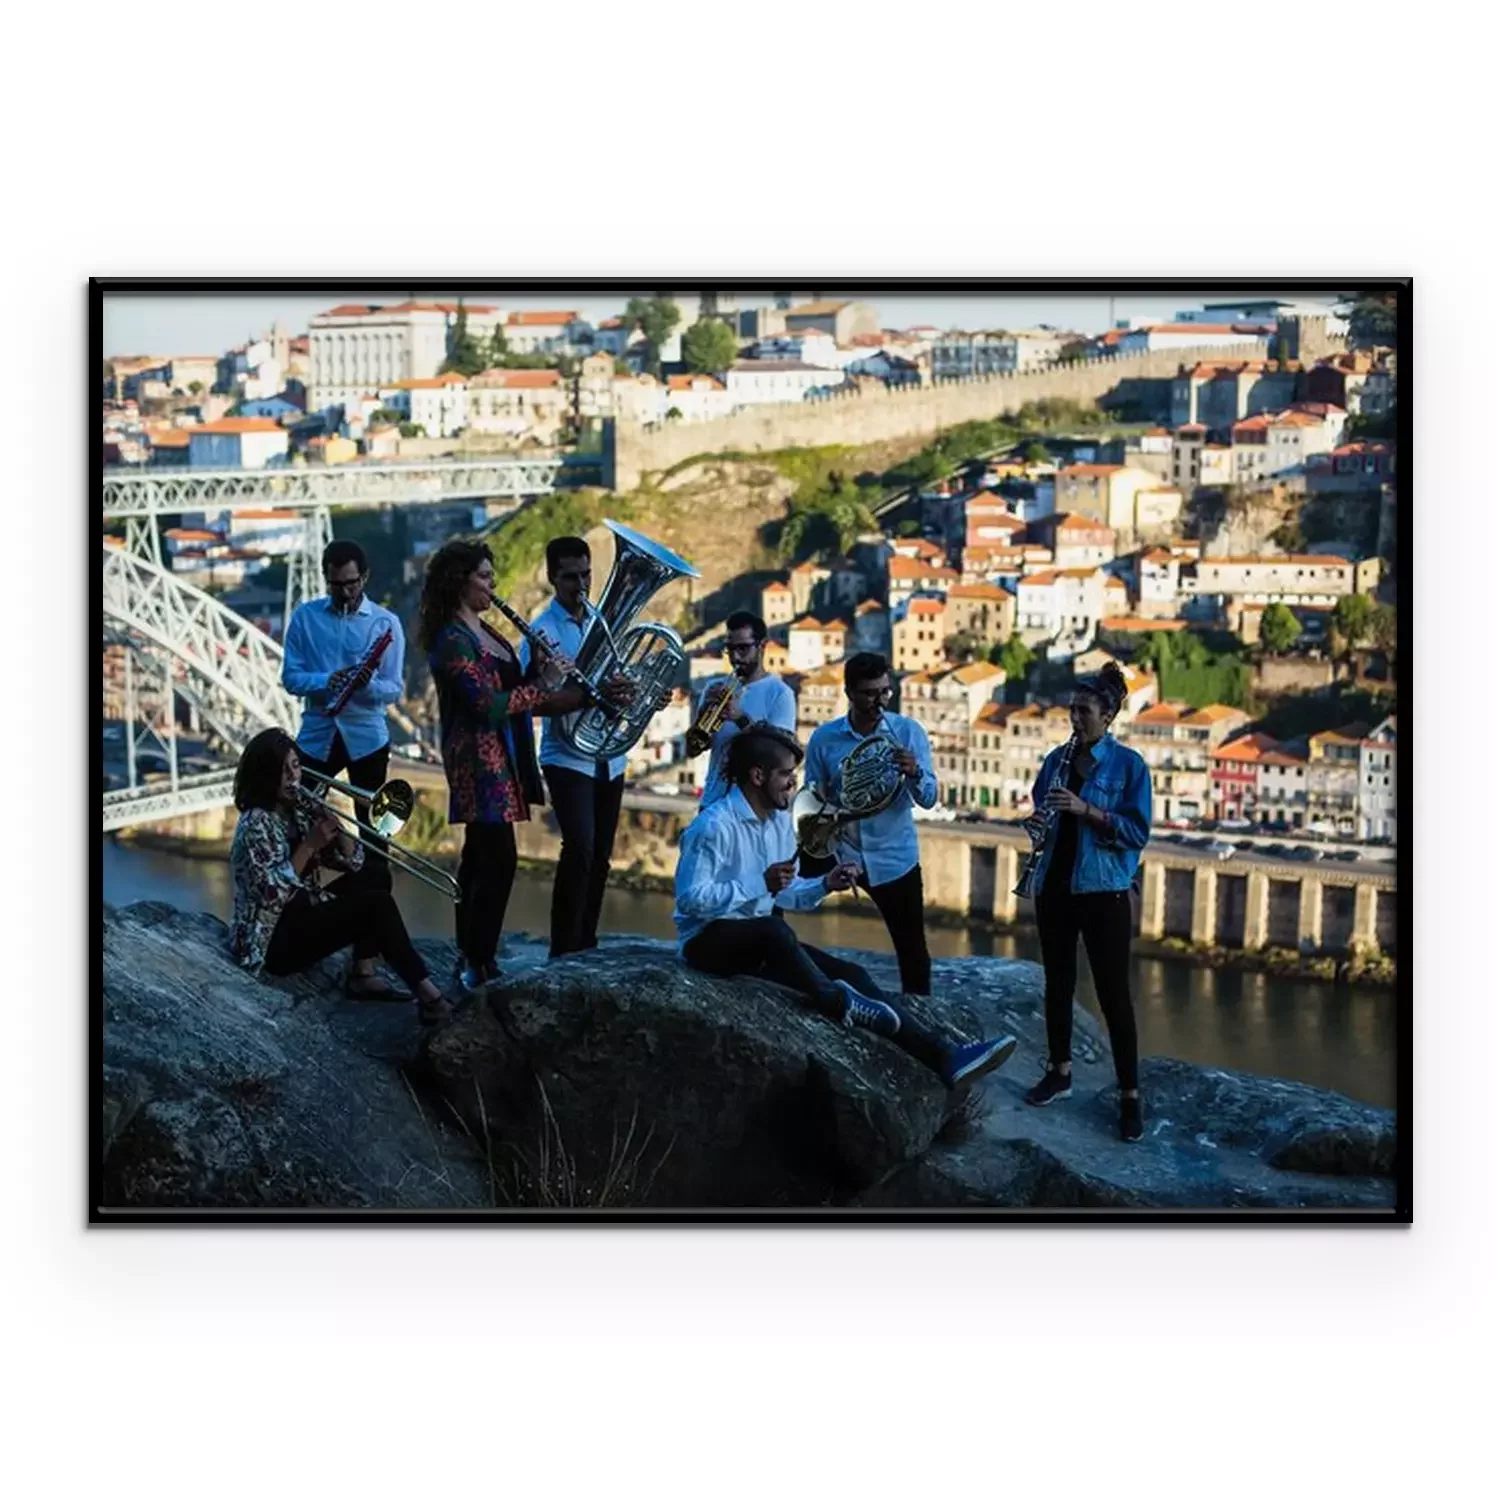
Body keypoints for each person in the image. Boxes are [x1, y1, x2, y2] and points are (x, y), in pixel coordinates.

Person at [674, 724, 1018, 1089]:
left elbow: (785, 894)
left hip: (758, 945)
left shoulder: (778, 825)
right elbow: (690, 900)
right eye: (786, 775)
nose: (793, 784)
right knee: (775, 929)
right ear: (758, 776)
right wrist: (760, 884)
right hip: (706, 944)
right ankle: (837, 1002)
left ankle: (945, 1056)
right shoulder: (713, 826)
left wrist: (825, 883)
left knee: (854, 973)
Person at [419, 540, 590, 991]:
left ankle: (473, 954)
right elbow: (486, 704)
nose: (493, 584)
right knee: (499, 860)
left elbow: (512, 689)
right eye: (484, 576)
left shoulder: (488, 633)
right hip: (477, 760)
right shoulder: (451, 639)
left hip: (504, 755)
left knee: (479, 857)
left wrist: (538, 669)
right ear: (459, 581)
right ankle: (478, 958)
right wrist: (546, 685)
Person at [227, 727, 453, 1024]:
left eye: (295, 766)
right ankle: (429, 997)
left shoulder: (295, 811)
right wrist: (309, 846)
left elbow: (354, 863)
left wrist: (338, 830)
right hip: (271, 940)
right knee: (375, 906)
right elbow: (270, 895)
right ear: (264, 776)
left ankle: (363, 973)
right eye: (282, 771)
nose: (293, 777)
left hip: (303, 910)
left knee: (376, 874)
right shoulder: (254, 824)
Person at [1020, 661, 1154, 1143]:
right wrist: (1036, 824)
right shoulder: (1055, 760)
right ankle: (1059, 1072)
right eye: (1072, 710)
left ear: (1108, 716)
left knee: (1113, 994)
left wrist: (1087, 810)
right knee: (1057, 984)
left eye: (1084, 711)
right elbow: (1042, 811)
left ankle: (1130, 1096)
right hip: (1054, 886)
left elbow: (1137, 833)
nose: (1074, 719)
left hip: (1104, 891)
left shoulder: (1130, 766)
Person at [521, 534, 667, 960]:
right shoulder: (542, 631)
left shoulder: (603, 621)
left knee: (601, 855)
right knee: (580, 848)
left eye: (587, 574)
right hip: (567, 756)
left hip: (609, 757)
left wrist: (639, 693)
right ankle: (563, 947)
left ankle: (586, 942)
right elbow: (532, 700)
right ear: (552, 577)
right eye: (571, 577)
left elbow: (619, 681)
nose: (582, 584)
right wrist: (589, 695)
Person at [801, 652, 937, 998]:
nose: (880, 702)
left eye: (885, 692)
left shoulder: (908, 732)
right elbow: (811, 800)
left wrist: (915, 772)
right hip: (842, 850)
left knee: (913, 951)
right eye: (869, 693)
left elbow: (929, 798)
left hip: (894, 856)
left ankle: (920, 1018)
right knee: (778, 890)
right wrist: (832, 806)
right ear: (849, 692)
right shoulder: (824, 738)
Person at [280, 540, 405, 889]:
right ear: (326, 579)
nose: (345, 593)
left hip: (368, 736)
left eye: (352, 583)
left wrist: (368, 686)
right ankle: (301, 897)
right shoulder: (305, 617)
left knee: (375, 833)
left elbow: (394, 688)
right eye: (336, 585)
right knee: (294, 819)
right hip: (317, 734)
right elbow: (290, 678)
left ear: (364, 577)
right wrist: (327, 681)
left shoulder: (386, 623)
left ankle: (376, 908)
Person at [691, 610, 797, 808]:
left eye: (743, 648)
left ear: (762, 646)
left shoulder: (780, 694)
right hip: (713, 801)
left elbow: (781, 754)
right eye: (730, 649)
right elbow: (692, 749)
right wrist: (702, 715)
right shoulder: (714, 688)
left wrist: (740, 718)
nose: (735, 657)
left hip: (754, 808)